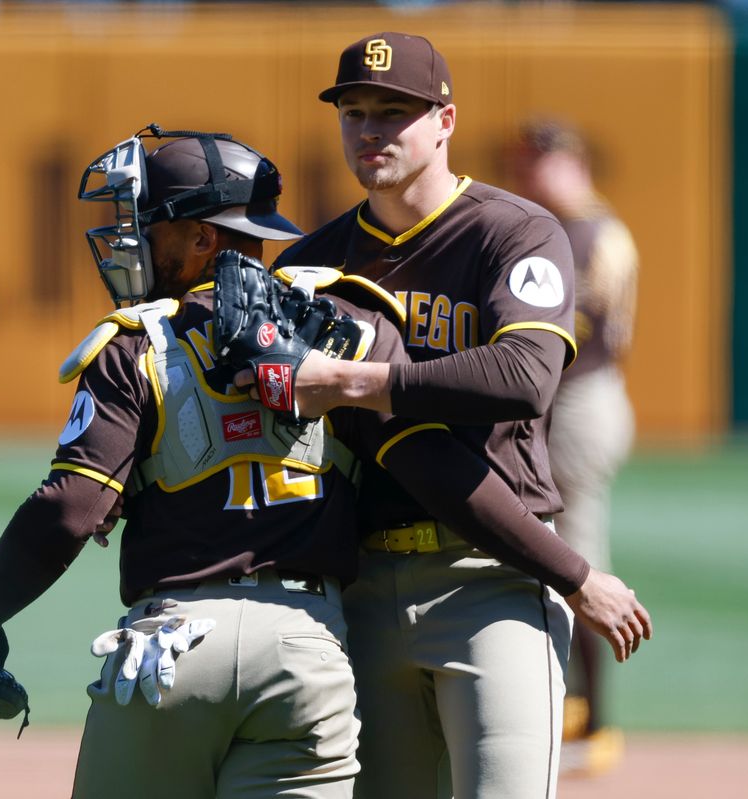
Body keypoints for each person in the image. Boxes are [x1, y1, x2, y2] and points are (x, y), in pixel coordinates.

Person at [0, 124, 646, 799]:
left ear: (200, 238)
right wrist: (573, 573)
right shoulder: (347, 319)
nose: (126, 240)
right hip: (309, 650)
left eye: (147, 225)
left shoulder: (137, 342)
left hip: (172, 645)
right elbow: (437, 471)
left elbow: (69, 509)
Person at [262, 32, 651, 799]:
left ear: (444, 120)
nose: (371, 129)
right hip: (363, 586)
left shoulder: (515, 231)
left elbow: (523, 375)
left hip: (493, 582)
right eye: (355, 111)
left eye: (394, 111)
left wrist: (354, 379)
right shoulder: (315, 259)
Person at [509, 118, 640, 776]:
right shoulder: (570, 230)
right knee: (558, 554)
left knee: (574, 559)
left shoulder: (591, 232)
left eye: (544, 161)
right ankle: (580, 711)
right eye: (528, 162)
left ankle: (596, 719)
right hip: (576, 402)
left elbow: (577, 330)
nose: (533, 173)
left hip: (583, 403)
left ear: (575, 162)